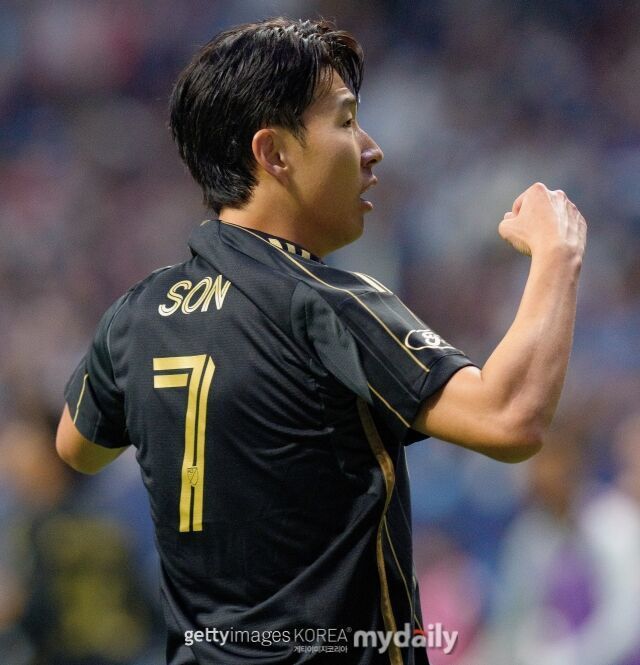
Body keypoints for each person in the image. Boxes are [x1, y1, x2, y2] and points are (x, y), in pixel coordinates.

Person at [55, 17, 587, 665]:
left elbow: (77, 447)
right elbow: (509, 419)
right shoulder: (323, 302)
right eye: (345, 121)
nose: (371, 148)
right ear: (274, 153)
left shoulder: (135, 314)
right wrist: (557, 254)